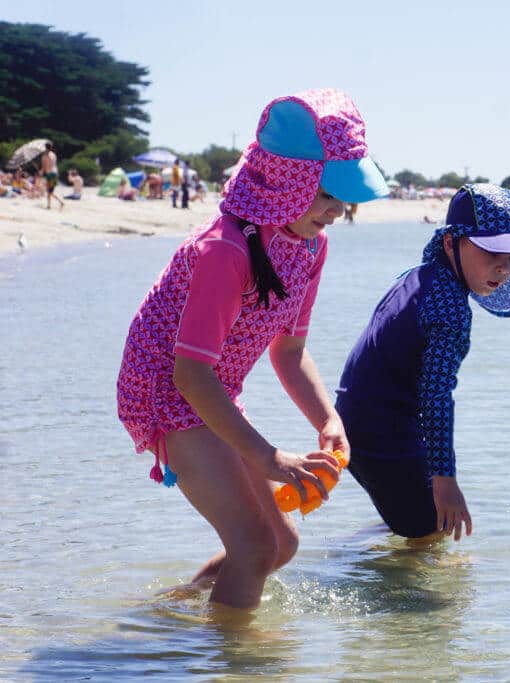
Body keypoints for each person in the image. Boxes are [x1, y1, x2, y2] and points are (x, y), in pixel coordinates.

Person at [115, 88, 389, 609]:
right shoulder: (225, 251)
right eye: (327, 196)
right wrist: (265, 457)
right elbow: (190, 375)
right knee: (255, 545)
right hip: (166, 390)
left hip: (210, 387)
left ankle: (171, 613)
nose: (337, 211)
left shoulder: (310, 245)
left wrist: (328, 419)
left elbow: (288, 353)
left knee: (281, 545)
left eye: (344, 200)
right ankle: (237, 664)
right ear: (288, 182)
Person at [334, 184, 510, 542]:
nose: (504, 269)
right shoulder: (451, 310)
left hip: (351, 417)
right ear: (451, 243)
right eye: (491, 252)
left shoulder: (419, 277)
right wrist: (445, 480)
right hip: (380, 431)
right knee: (432, 530)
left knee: (414, 520)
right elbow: (436, 397)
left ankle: (350, 551)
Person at [41, 142, 64, 210]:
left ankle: (60, 202)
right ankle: (49, 205)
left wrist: (41, 172)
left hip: (50, 174)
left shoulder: (45, 156)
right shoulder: (54, 155)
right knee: (50, 190)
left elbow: (44, 166)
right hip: (55, 173)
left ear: (45, 147)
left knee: (49, 191)